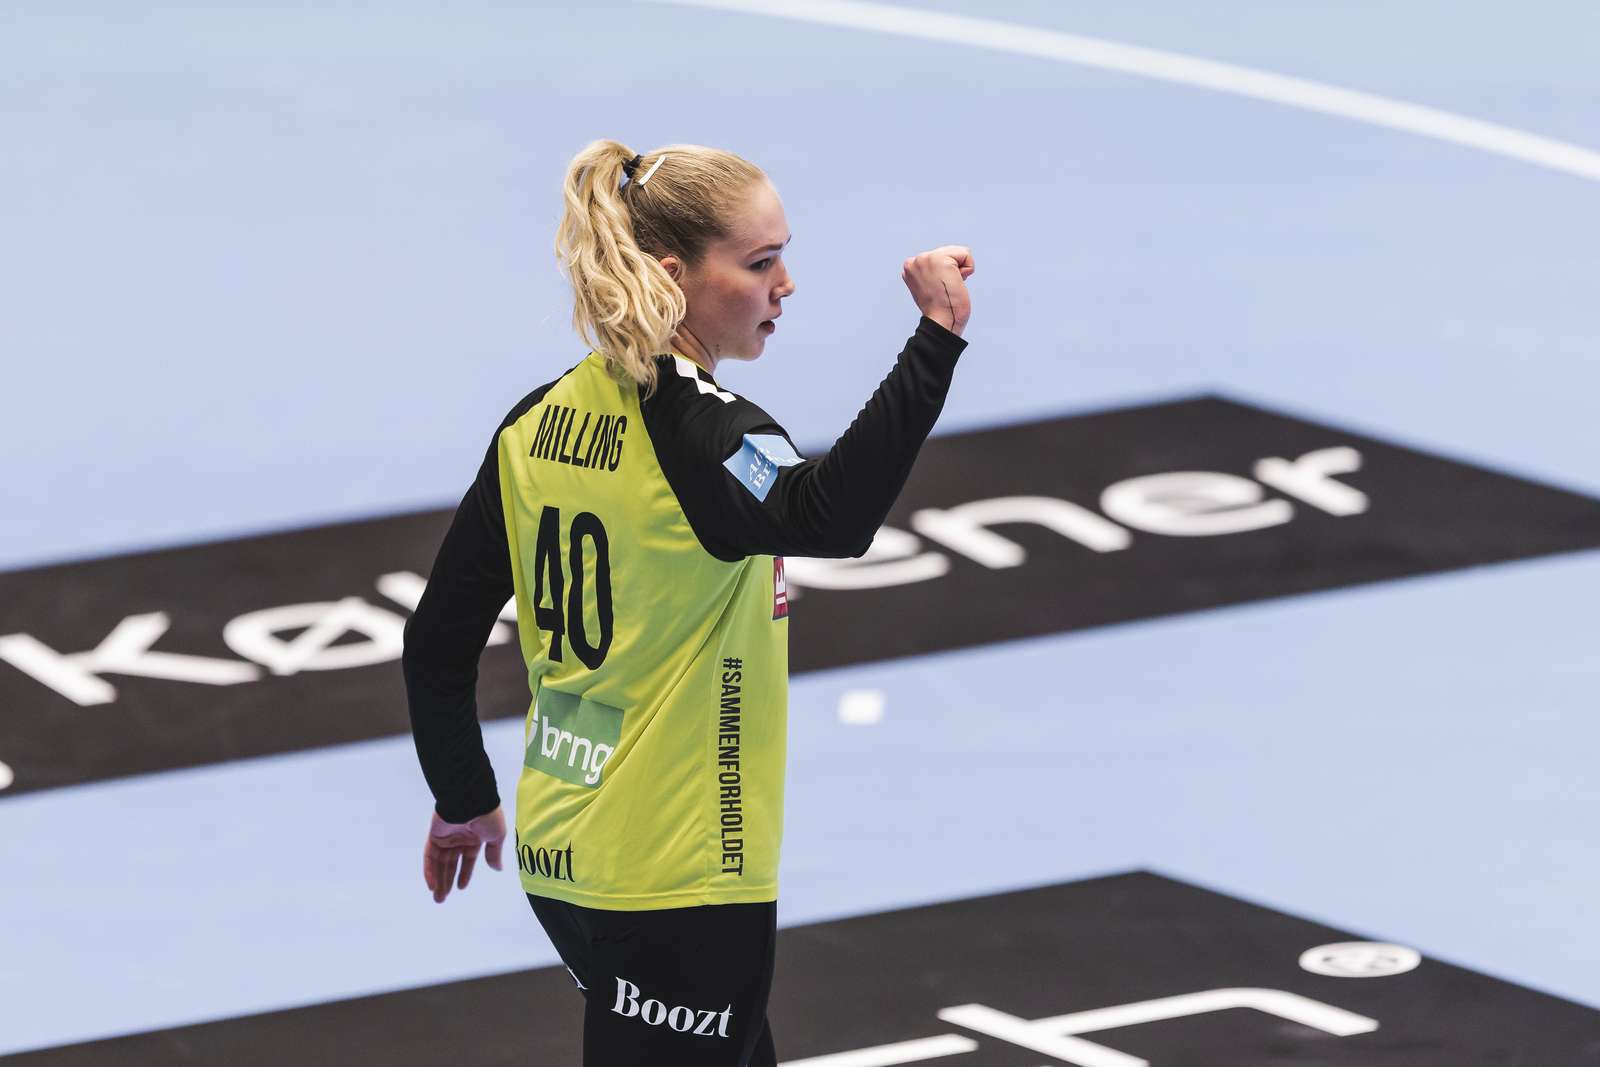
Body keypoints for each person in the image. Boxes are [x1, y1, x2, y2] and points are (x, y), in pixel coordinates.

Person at [401, 139, 974, 1066]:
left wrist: (463, 795)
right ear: (675, 275)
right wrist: (935, 340)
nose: (785, 284)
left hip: (564, 857)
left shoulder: (534, 425)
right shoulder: (706, 432)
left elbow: (437, 640)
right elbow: (829, 514)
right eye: (759, 262)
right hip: (680, 878)